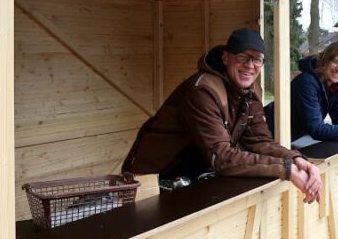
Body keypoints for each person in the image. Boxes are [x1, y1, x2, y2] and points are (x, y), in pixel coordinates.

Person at [122, 28, 321, 203]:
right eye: (243, 57)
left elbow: (259, 141)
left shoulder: (250, 90)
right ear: (226, 58)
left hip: (190, 175)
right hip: (152, 178)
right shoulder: (203, 90)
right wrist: (285, 169)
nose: (250, 65)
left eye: (257, 59)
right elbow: (222, 157)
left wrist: (296, 160)